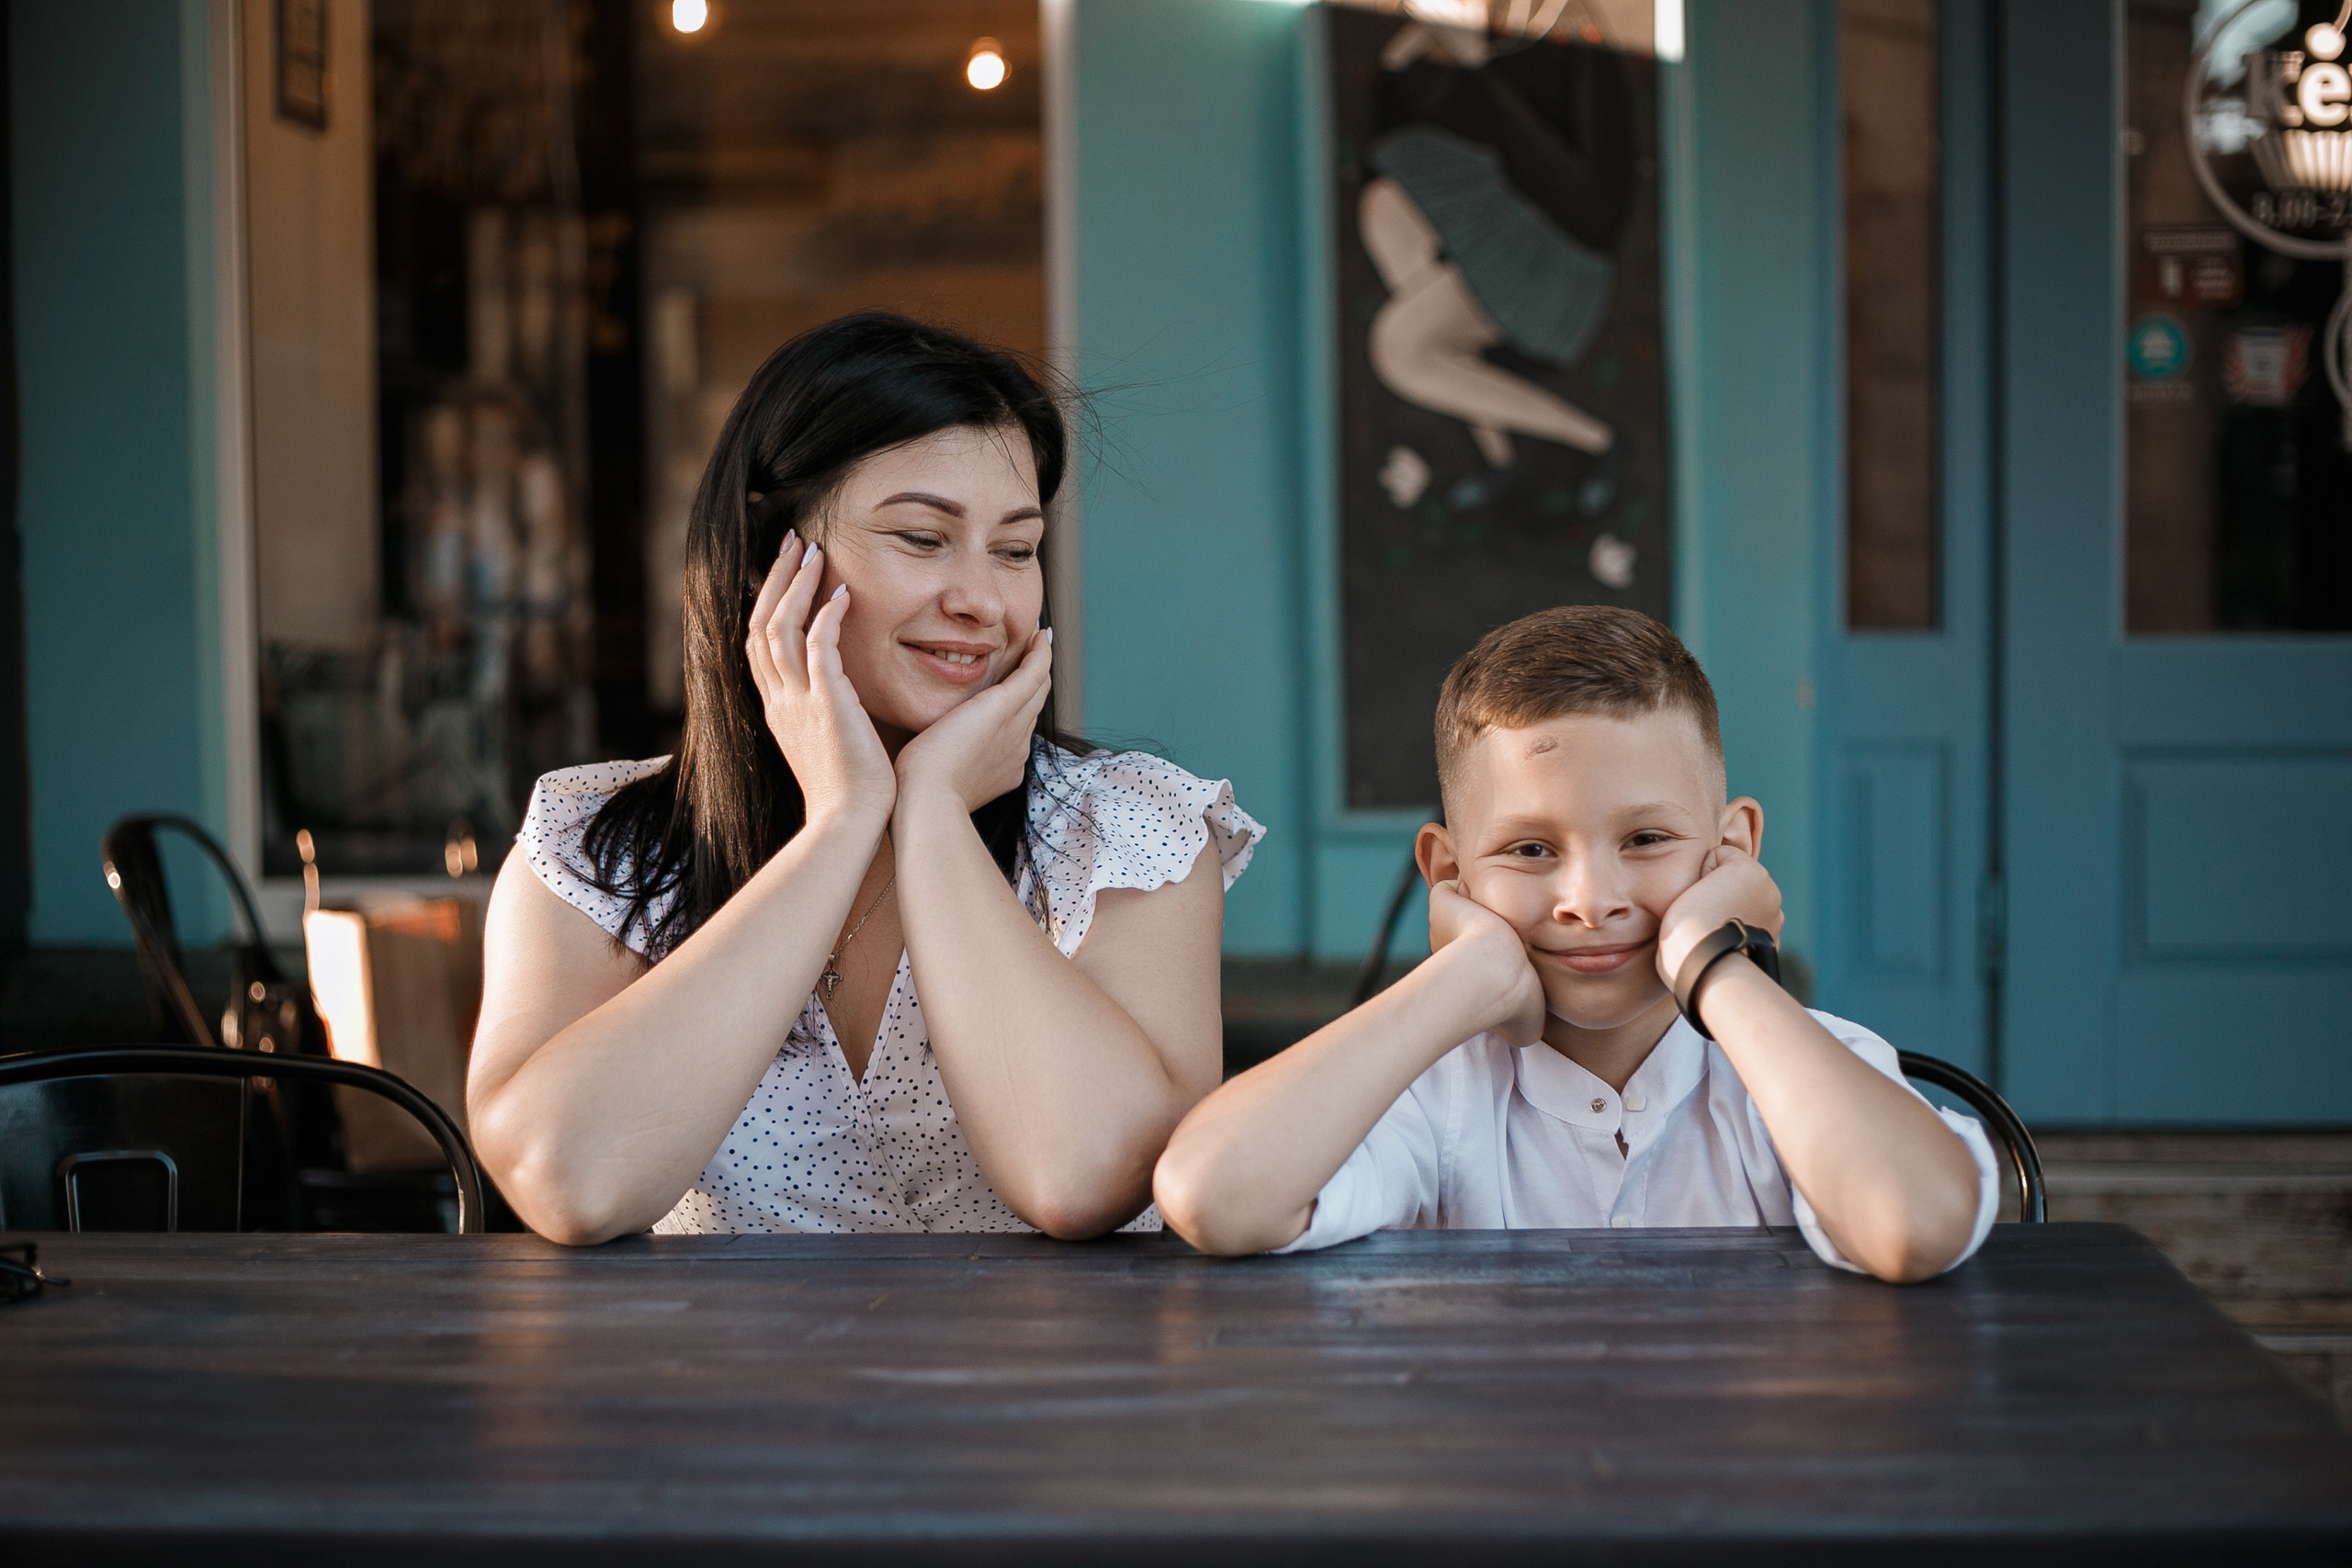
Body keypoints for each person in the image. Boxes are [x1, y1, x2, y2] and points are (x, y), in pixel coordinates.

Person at [469, 313, 1261, 1246]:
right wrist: (841, 824)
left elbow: (1082, 1176)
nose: (982, 601)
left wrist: (935, 814)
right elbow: (571, 1181)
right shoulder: (596, 844)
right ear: (769, 557)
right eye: (923, 538)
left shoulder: (1129, 832)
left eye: (1015, 550)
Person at [1154, 606, 1996, 1281]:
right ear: (1448, 873)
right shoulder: (1430, 1098)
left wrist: (1717, 967)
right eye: (1529, 849)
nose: (1591, 903)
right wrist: (1465, 975)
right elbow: (1210, 1191)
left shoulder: (1798, 1071)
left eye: (1647, 839)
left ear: (1733, 850)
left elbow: (1916, 1223)